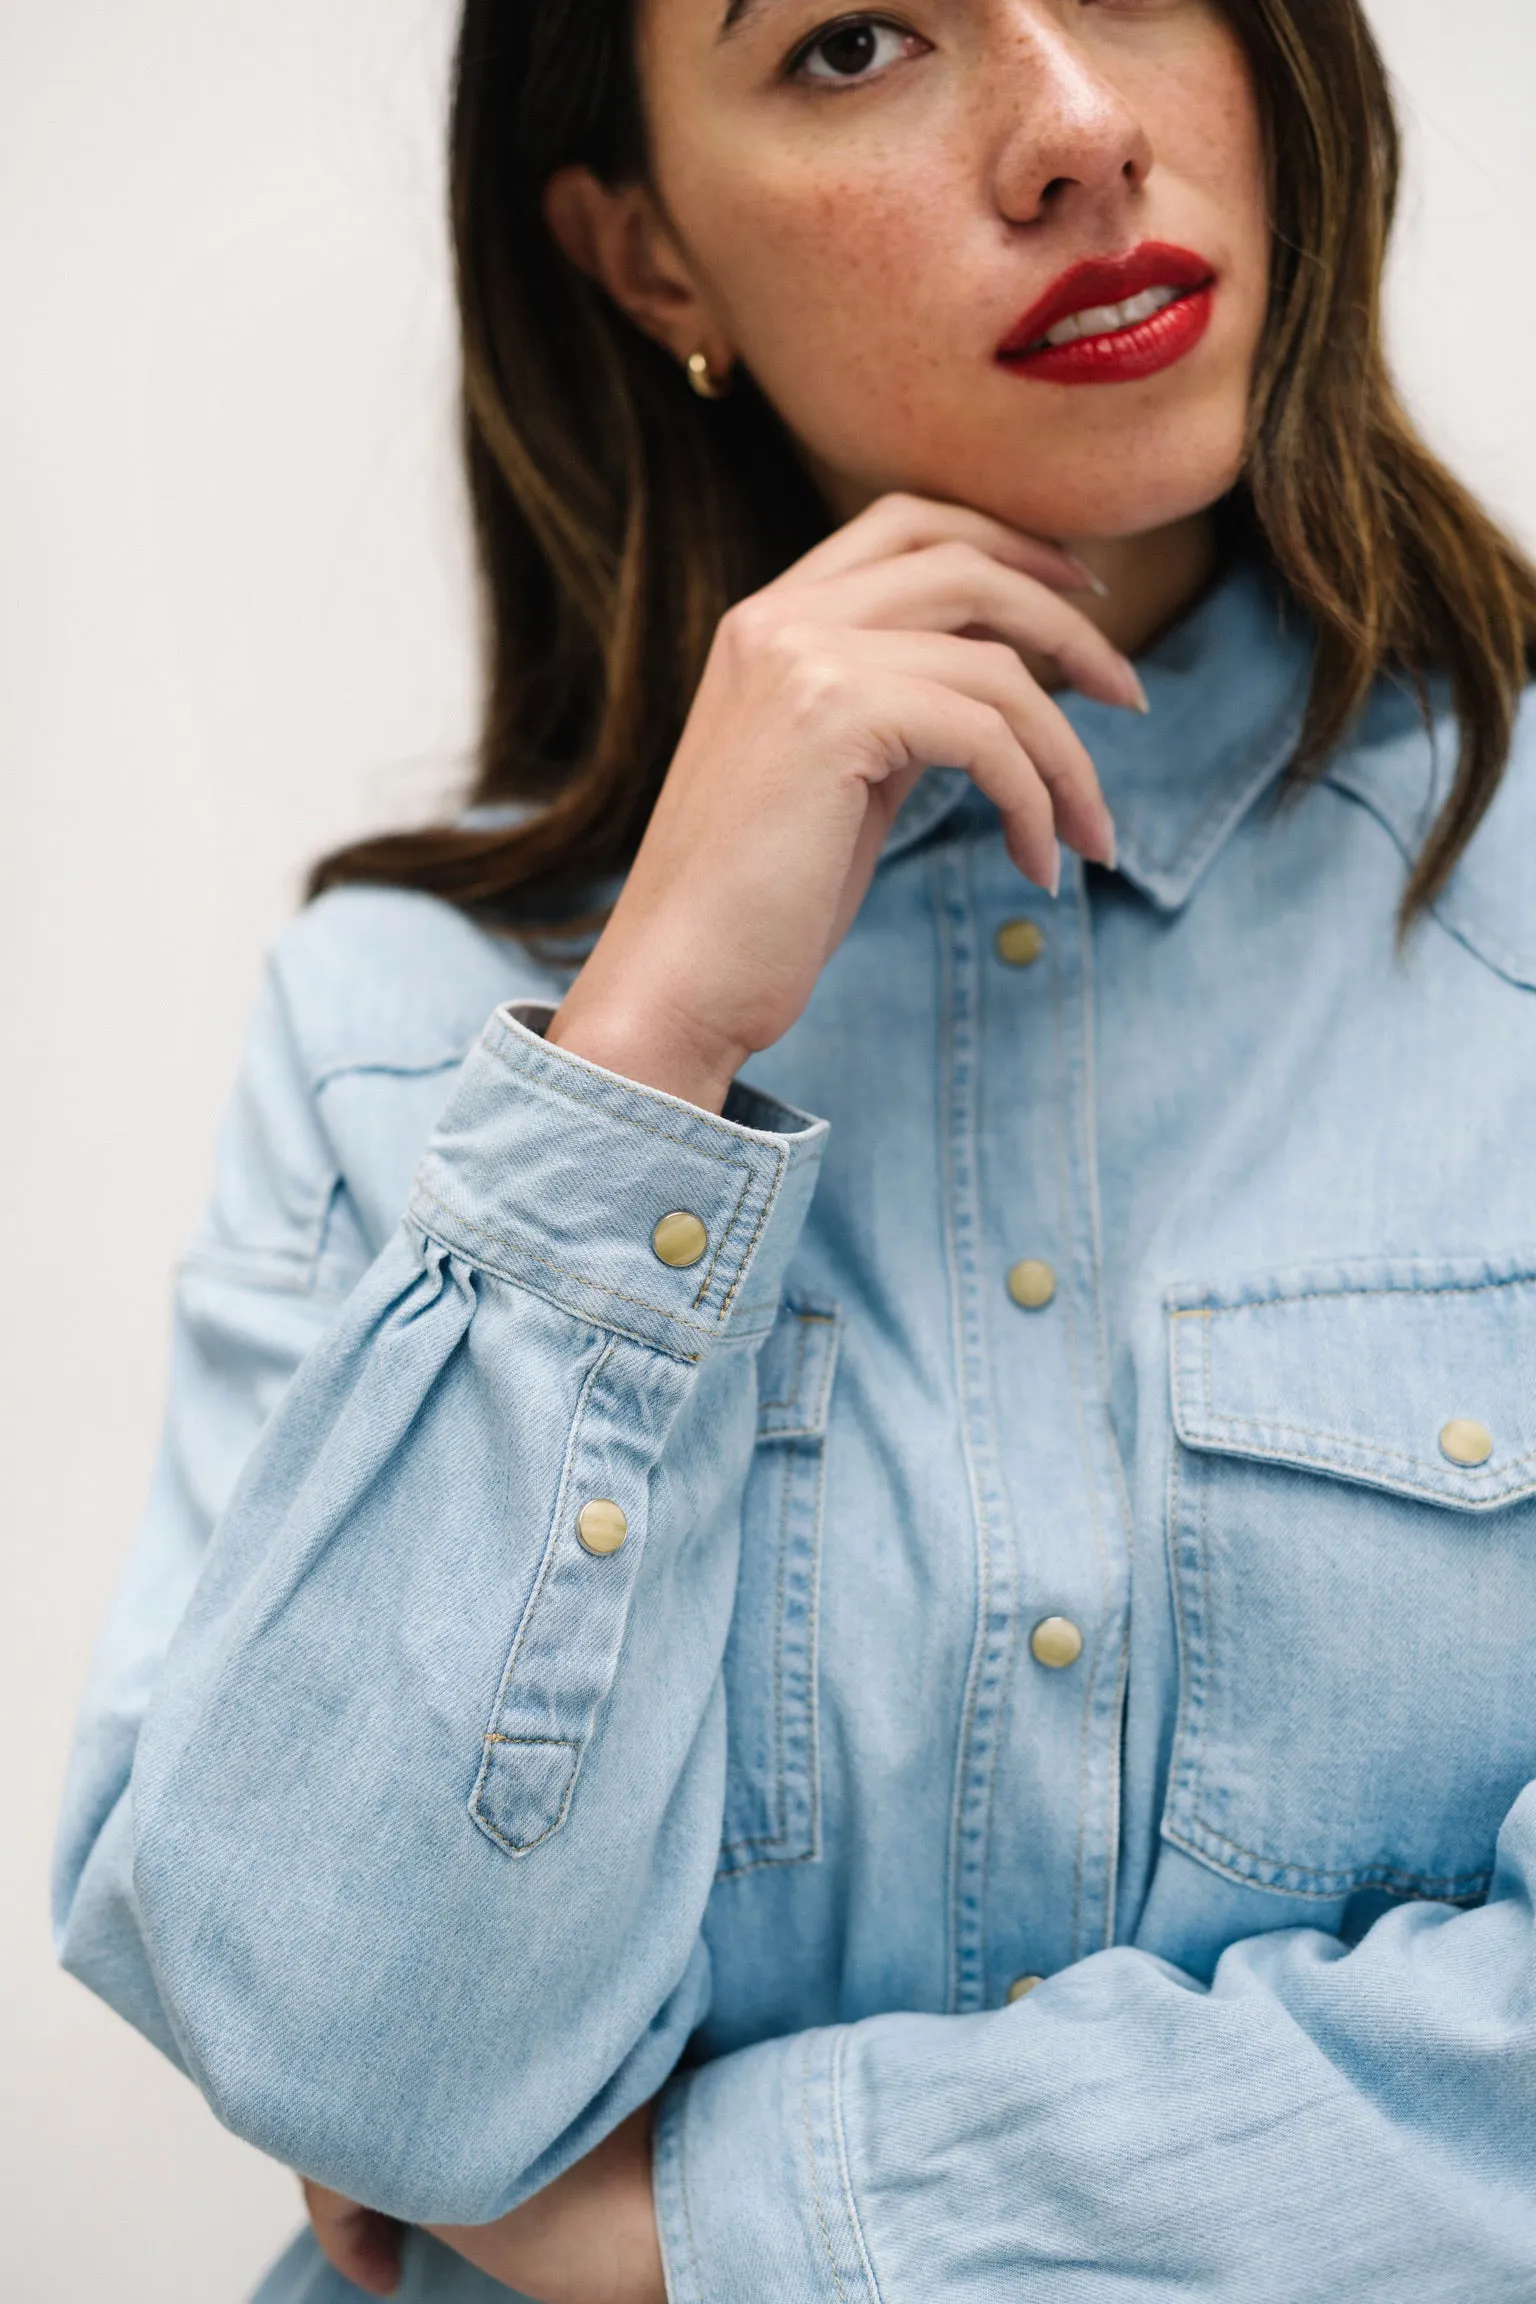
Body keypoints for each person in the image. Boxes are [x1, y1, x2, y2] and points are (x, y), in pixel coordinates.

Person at [53, 0, 1536, 2296]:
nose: (1071, 127)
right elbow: (340, 2053)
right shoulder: (402, 1032)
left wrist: (718, 2224)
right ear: (646, 257)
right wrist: (643, 1055)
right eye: (854, 42)